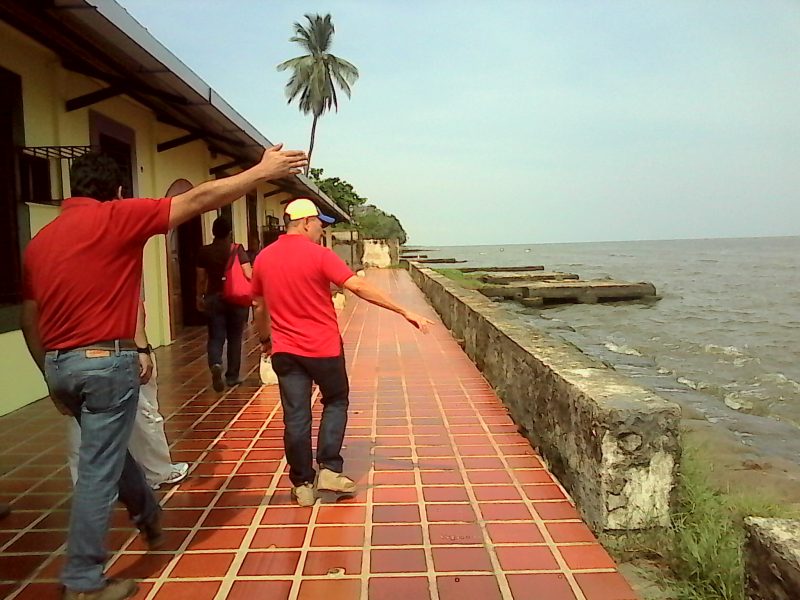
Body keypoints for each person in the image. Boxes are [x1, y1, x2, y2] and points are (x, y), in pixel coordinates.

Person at [20, 145, 306, 600]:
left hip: (58, 364)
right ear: (117, 190)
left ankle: (147, 513)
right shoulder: (118, 216)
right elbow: (199, 199)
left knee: (108, 448)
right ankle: (82, 579)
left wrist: (47, 375)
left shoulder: (39, 242)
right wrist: (262, 171)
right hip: (105, 364)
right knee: (99, 468)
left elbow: (29, 318)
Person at [251, 198, 433, 507]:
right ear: (306, 222)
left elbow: (258, 304)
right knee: (335, 400)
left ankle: (302, 484)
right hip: (323, 349)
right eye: (320, 223)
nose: (322, 229)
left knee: (296, 416)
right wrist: (404, 310)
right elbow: (358, 286)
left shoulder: (264, 259)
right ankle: (329, 469)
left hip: (285, 351)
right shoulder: (320, 255)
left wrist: (265, 340)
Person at [67, 301, 189, 490]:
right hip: (116, 346)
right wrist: (141, 348)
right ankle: (156, 471)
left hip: (71, 352)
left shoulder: (50, 271)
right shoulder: (116, 270)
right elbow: (133, 303)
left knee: (81, 419)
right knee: (142, 411)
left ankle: (86, 484)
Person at [196, 217, 252, 391]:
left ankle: (216, 363)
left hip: (214, 298)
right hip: (236, 298)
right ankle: (232, 376)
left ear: (213, 232)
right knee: (235, 338)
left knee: (215, 336)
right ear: (230, 232)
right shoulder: (237, 249)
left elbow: (201, 278)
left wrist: (199, 296)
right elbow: (248, 273)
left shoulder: (204, 251)